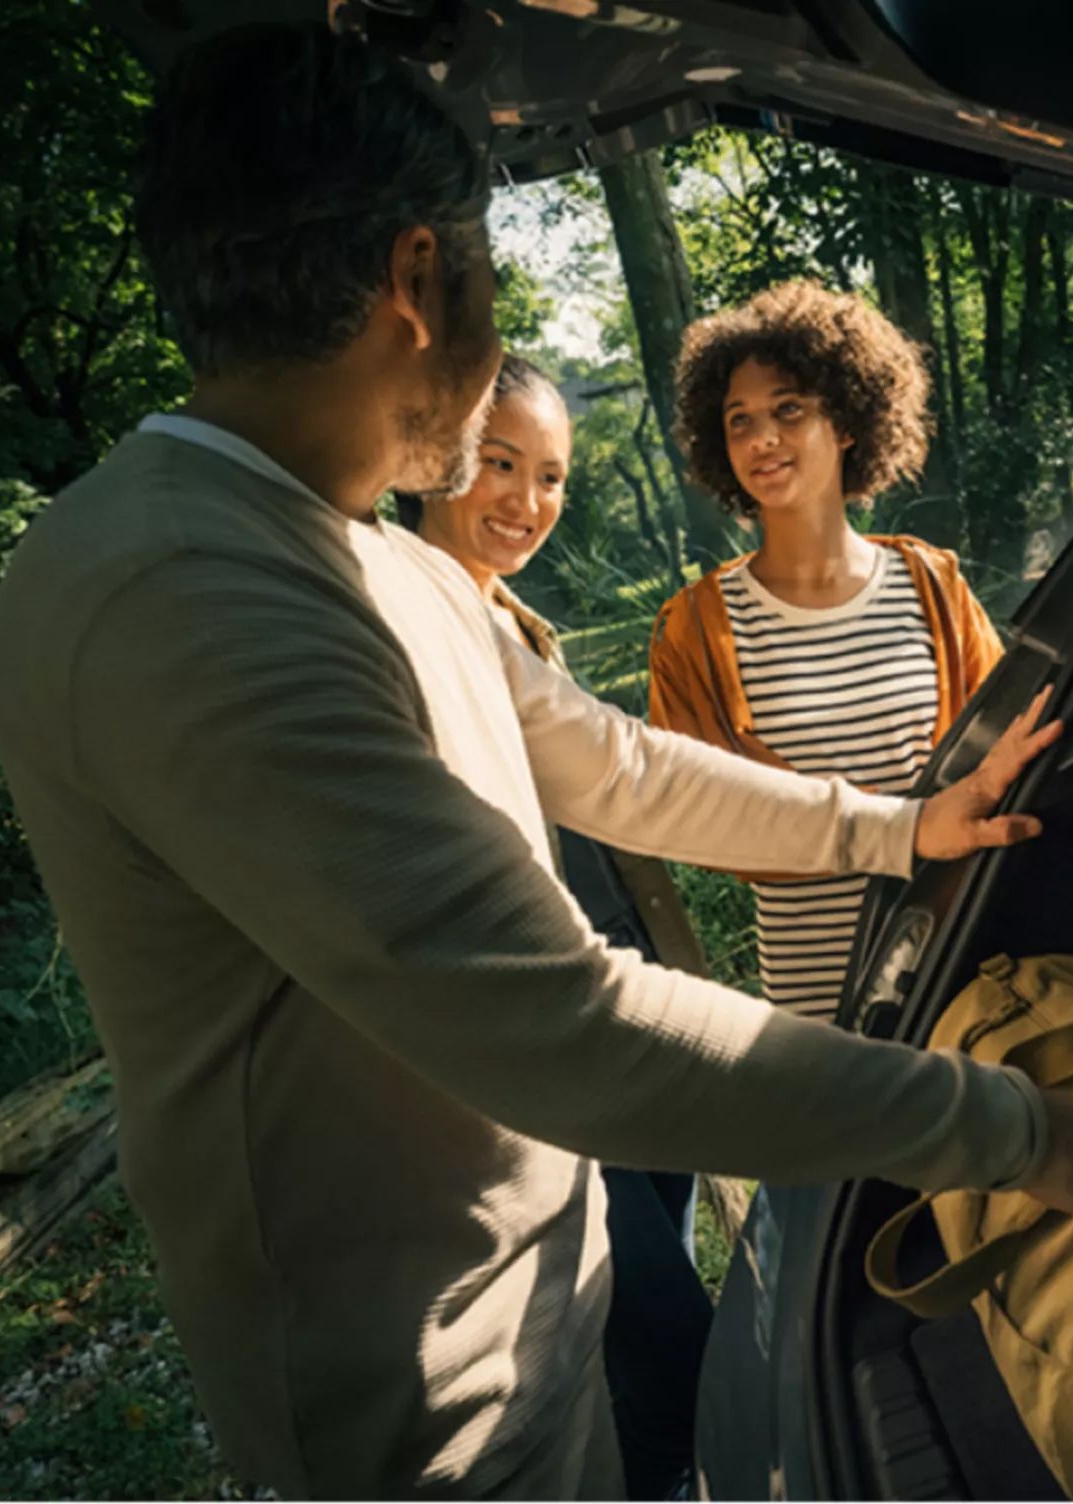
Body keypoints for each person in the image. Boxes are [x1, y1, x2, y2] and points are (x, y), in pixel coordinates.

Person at [0, 23, 1073, 1501]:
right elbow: (560, 1024)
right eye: (493, 282)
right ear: (420, 282)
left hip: (542, 1311)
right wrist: (1027, 1135)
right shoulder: (182, 590)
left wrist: (892, 828)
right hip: (414, 1406)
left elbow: (615, 767)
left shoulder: (371, 560)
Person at [399, 354, 712, 1500]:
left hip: (630, 971)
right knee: (669, 1329)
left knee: (656, 1254)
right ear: (432, 455)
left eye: (551, 476)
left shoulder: (516, 622)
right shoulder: (389, 620)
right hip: (544, 1027)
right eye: (499, 464)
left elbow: (616, 787)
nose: (526, 501)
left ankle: (653, 1472)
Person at [649, 280, 1005, 1020]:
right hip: (813, 998)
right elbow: (693, 814)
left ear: (847, 422)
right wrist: (890, 833)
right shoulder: (695, 626)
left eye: (788, 410)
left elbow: (1000, 760)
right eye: (739, 420)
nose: (761, 439)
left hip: (953, 965)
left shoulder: (931, 585)